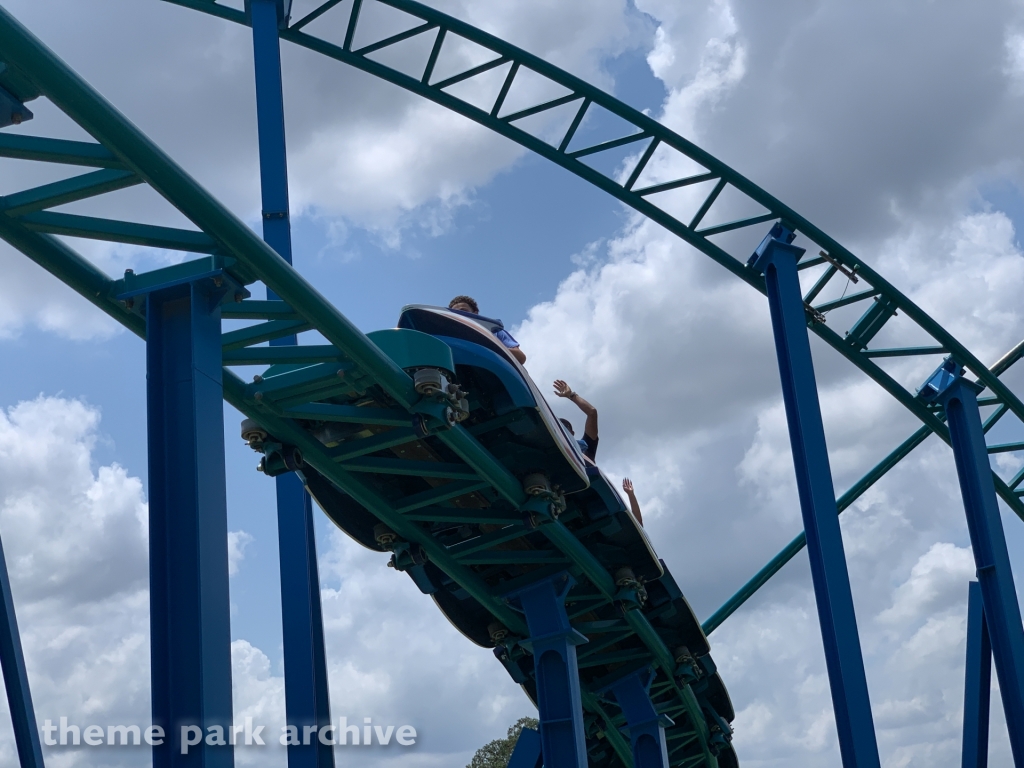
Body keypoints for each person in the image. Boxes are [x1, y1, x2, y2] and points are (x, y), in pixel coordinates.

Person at [448, 295, 527, 365]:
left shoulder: (494, 331)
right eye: (455, 312)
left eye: (464, 311)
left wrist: (489, 348)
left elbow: (520, 357)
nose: (460, 314)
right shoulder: (451, 338)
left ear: (475, 313)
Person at [553, 380, 598, 461]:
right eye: (559, 428)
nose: (563, 432)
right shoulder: (550, 448)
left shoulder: (585, 448)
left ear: (572, 433)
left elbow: (592, 412)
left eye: (565, 428)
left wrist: (571, 395)